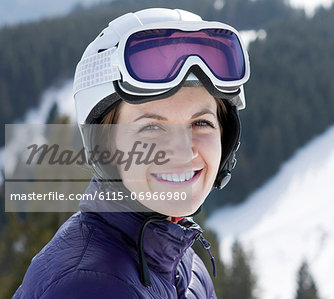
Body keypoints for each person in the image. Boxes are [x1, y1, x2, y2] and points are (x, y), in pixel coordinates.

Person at [13, 7, 250, 298]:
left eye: (201, 123)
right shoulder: (88, 287)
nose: (181, 151)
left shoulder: (186, 266)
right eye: (151, 127)